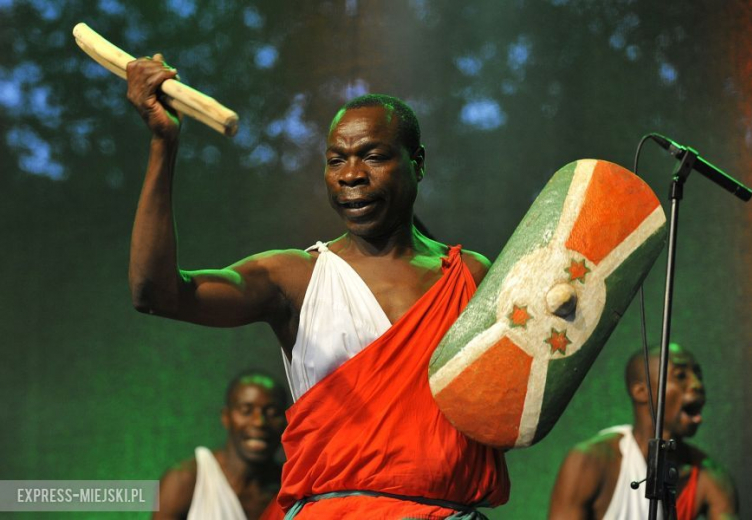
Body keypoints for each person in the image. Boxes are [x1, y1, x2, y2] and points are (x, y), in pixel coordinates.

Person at [126, 55, 509, 519]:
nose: (351, 175)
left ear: (418, 163)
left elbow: (510, 409)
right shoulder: (294, 277)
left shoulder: (469, 275)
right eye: (335, 160)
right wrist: (163, 143)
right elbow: (157, 293)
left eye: (372, 155)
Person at [548, 343, 739, 519]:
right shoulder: (589, 461)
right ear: (641, 391)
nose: (697, 384)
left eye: (698, 375)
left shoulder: (710, 476)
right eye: (680, 376)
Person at [153, 370, 287, 520]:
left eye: (272, 412)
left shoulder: (290, 488)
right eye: (246, 410)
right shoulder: (185, 480)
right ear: (226, 417)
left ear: (287, 420)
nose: (259, 422)